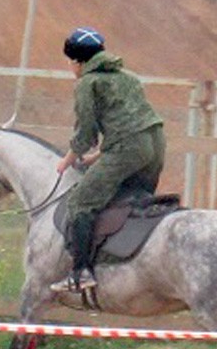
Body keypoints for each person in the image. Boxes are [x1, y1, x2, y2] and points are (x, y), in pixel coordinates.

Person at [50, 27, 166, 294]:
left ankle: (81, 272)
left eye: (70, 61)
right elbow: (131, 124)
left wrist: (67, 160)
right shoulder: (129, 78)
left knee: (80, 202)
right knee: (131, 198)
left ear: (78, 62)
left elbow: (85, 133)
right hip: (155, 144)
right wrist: (98, 157)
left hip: (128, 148)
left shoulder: (86, 84)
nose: (70, 67)